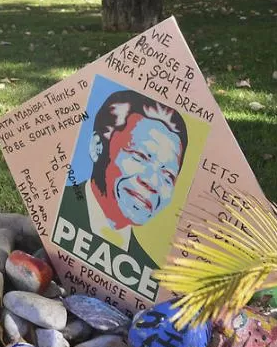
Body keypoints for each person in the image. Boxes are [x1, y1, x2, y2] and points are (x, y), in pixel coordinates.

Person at [53, 89, 189, 273]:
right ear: (97, 147)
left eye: (168, 176)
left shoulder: (149, 274)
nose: (152, 182)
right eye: (140, 156)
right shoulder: (51, 209)